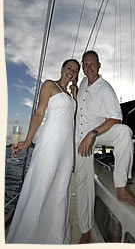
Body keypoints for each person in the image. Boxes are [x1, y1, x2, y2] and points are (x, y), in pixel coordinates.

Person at [6, 59, 80, 244]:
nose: (71, 71)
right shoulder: (49, 85)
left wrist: (75, 96)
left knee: (60, 187)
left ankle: (53, 235)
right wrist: (28, 140)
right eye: (69, 67)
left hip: (66, 146)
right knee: (43, 182)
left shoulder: (72, 96)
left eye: (75, 70)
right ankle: (29, 235)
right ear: (62, 68)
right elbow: (39, 113)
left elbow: (71, 119)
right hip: (51, 140)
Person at [75, 50, 135, 244]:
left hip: (97, 134)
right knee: (83, 183)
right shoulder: (81, 84)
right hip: (79, 139)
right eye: (85, 64)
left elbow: (115, 118)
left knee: (123, 131)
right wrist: (73, 89)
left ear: (99, 66)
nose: (88, 67)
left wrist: (93, 134)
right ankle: (85, 229)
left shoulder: (105, 88)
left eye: (92, 64)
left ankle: (121, 188)